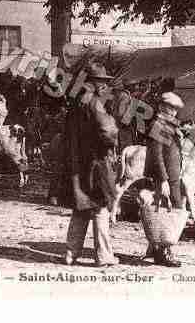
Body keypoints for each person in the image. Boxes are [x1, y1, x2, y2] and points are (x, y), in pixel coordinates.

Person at [63, 63, 119, 267]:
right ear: (93, 83)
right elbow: (107, 131)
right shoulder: (95, 103)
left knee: (80, 209)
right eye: (102, 82)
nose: (104, 86)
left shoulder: (74, 104)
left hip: (78, 163)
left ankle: (71, 253)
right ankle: (104, 256)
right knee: (101, 207)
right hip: (96, 163)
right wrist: (113, 139)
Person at [144, 91, 185, 267]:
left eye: (175, 109)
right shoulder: (160, 125)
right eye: (170, 108)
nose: (173, 112)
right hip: (166, 176)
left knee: (163, 209)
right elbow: (157, 155)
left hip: (172, 175)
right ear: (161, 107)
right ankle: (163, 253)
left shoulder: (168, 124)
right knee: (169, 211)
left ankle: (155, 248)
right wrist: (163, 180)